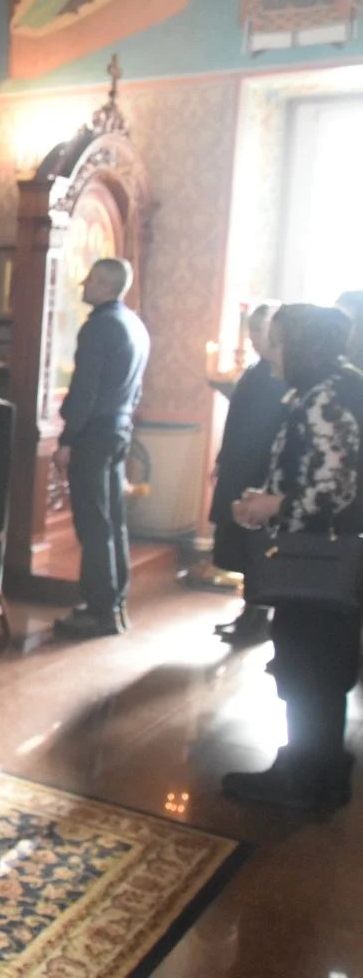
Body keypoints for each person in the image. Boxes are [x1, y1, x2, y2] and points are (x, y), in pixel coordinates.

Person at [225, 304, 363, 812]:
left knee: (307, 668)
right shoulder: (345, 385)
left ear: (304, 346)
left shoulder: (324, 398)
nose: (271, 352)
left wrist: (270, 505)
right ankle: (320, 772)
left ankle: (304, 781)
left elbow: (332, 490)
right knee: (322, 670)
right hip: (331, 559)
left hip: (315, 559)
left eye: (279, 342)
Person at [52, 257, 150, 638]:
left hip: (93, 434)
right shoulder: (134, 325)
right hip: (119, 429)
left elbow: (85, 390)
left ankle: (99, 609)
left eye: (91, 280)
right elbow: (135, 390)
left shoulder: (98, 328)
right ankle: (115, 602)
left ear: (107, 285)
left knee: (93, 524)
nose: (84, 285)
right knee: (113, 520)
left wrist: (68, 439)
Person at [209, 303, 290, 645]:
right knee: (241, 546)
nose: (255, 338)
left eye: (261, 331)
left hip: (256, 472)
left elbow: (268, 429)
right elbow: (239, 422)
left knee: (255, 547)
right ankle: (250, 612)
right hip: (239, 467)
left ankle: (257, 616)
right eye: (252, 330)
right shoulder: (258, 370)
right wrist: (222, 459)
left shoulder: (277, 375)